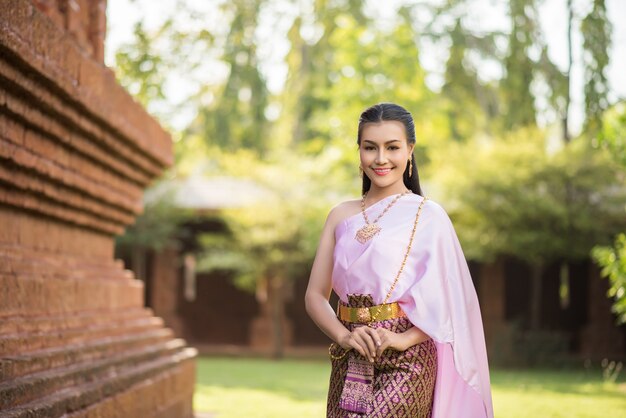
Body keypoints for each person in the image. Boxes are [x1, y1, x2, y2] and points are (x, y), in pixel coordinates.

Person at [305, 103, 494, 417]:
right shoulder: (340, 215)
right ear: (359, 151)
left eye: (392, 147)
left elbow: (448, 302)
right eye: (370, 147)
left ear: (410, 150)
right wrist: (346, 337)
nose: (380, 158)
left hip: (406, 359)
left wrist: (402, 339)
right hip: (350, 355)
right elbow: (314, 296)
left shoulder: (428, 216)